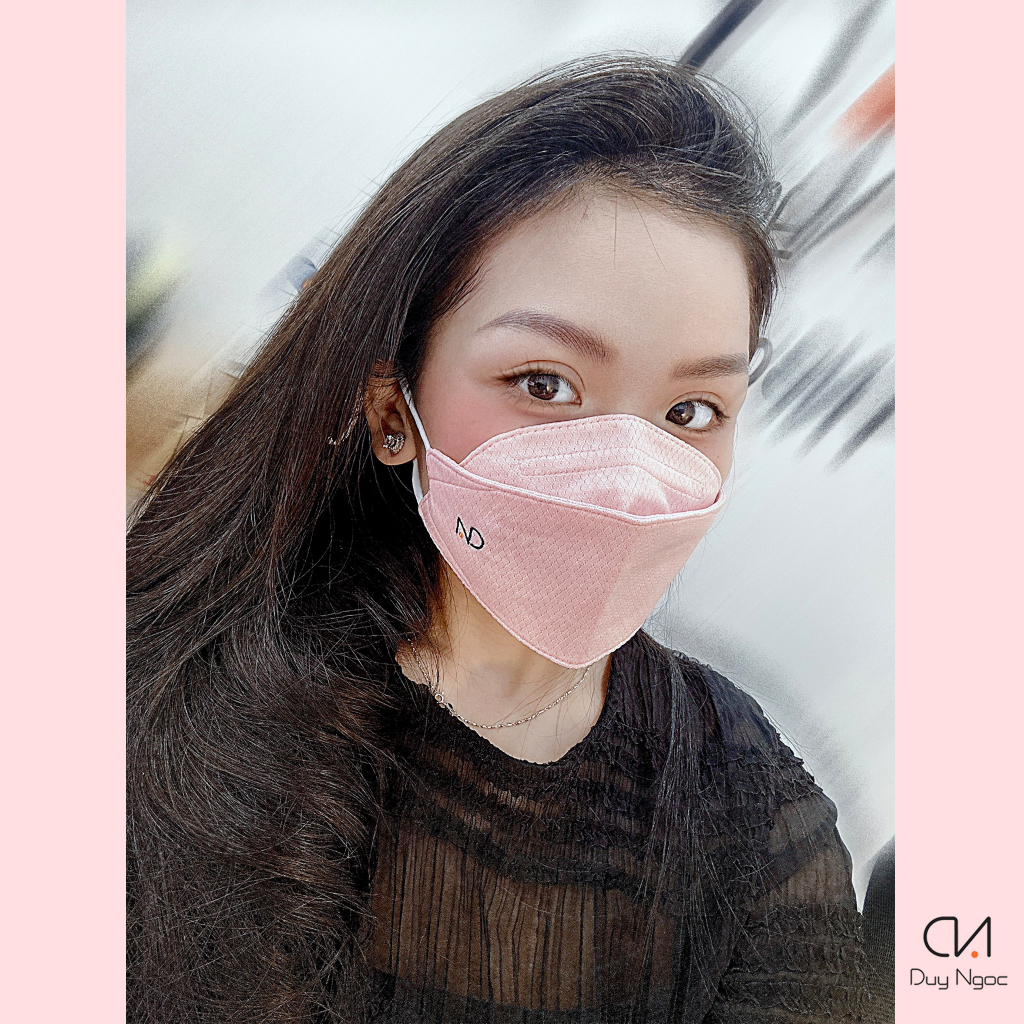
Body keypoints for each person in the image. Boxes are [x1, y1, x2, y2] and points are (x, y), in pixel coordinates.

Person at [128, 55, 882, 1022]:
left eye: (691, 411)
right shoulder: (163, 694)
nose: (625, 472)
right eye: (544, 384)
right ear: (391, 410)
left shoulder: (748, 809)